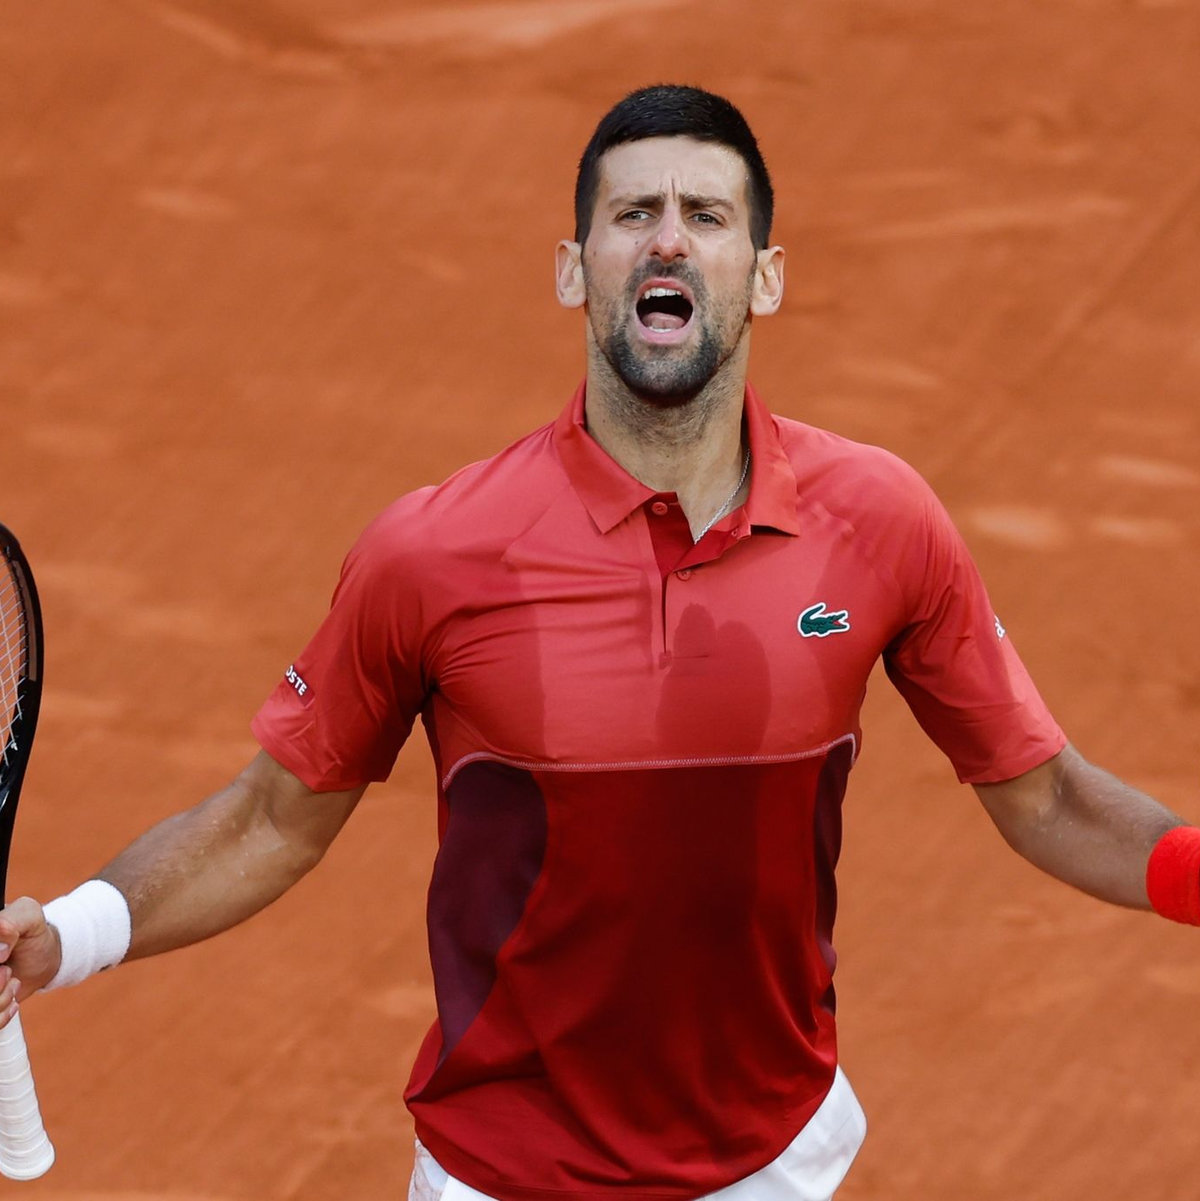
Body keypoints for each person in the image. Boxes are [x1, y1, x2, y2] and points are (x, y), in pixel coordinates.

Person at [1, 84, 1197, 1201]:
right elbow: (272, 817)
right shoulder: (435, 552)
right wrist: (71, 934)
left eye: (706, 216)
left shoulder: (881, 523)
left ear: (765, 276)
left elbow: (1047, 798)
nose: (668, 240)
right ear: (577, 270)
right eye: (633, 214)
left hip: (773, 1163)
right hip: (500, 1174)